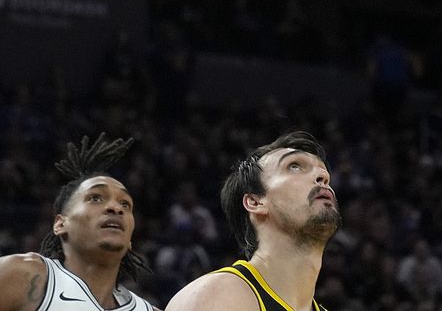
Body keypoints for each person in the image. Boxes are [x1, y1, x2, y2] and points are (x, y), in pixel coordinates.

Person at [165, 131, 339, 311]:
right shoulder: (217, 297)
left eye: (323, 170)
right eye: (294, 166)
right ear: (255, 202)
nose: (323, 176)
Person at [0, 134, 158, 311]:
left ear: (130, 240)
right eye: (96, 198)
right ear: (60, 224)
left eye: (125, 204)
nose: (116, 208)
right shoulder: (22, 275)